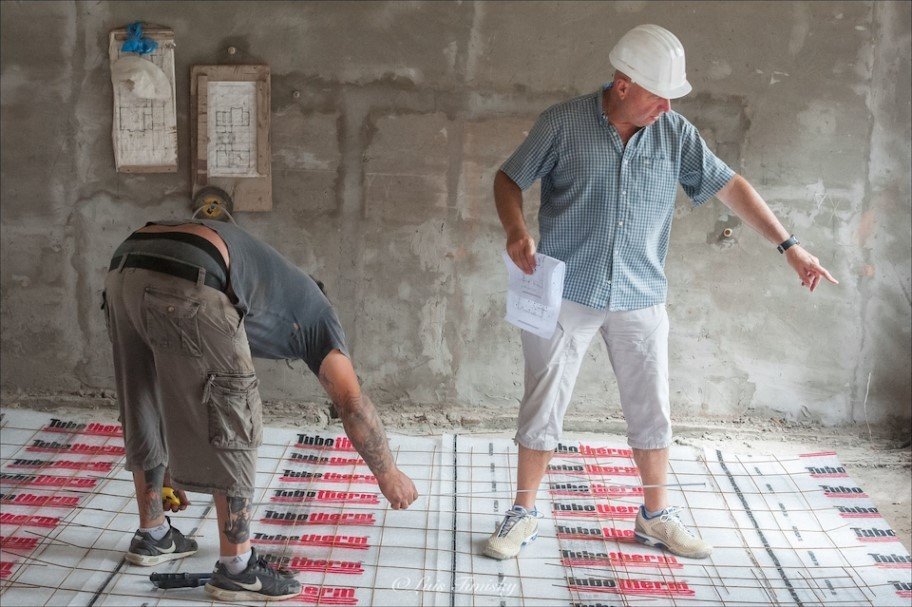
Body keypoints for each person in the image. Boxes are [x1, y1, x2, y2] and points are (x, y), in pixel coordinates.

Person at [484, 24, 837, 561]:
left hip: (640, 292)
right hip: (567, 290)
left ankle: (654, 515)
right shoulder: (562, 124)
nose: (667, 106)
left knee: (652, 409)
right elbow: (508, 178)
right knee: (543, 402)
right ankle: (523, 511)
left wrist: (790, 246)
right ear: (623, 84)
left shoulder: (674, 132)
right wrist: (515, 230)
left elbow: (730, 186)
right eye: (658, 94)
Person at [103, 219, 419, 601]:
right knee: (233, 409)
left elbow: (171, 383)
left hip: (127, 265)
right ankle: (238, 567)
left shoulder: (264, 289)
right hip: (195, 269)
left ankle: (153, 533)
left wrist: (169, 466)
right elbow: (352, 403)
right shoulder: (320, 317)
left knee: (141, 394)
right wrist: (388, 473)